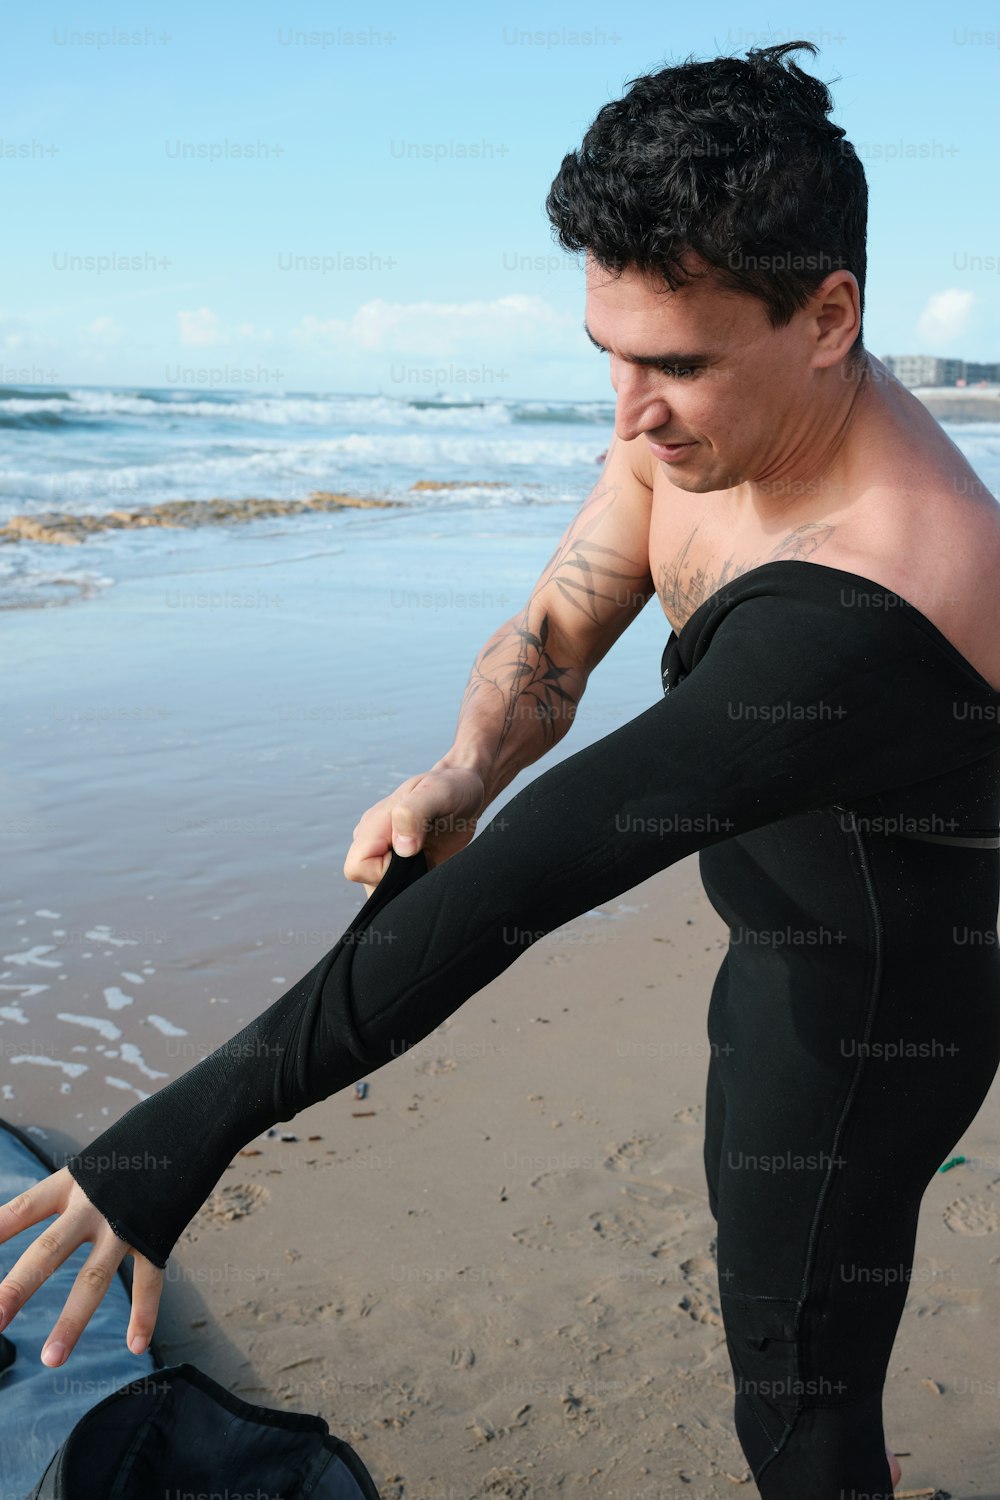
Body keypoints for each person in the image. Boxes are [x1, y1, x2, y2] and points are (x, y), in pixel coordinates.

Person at [2, 40, 999, 1499]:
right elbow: (559, 622)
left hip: (865, 1014)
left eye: (672, 366)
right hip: (780, 931)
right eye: (608, 354)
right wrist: (467, 766)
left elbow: (518, 893)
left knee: (793, 1397)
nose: (628, 418)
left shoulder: (865, 606)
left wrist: (170, 1148)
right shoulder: (728, 413)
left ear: (830, 314)